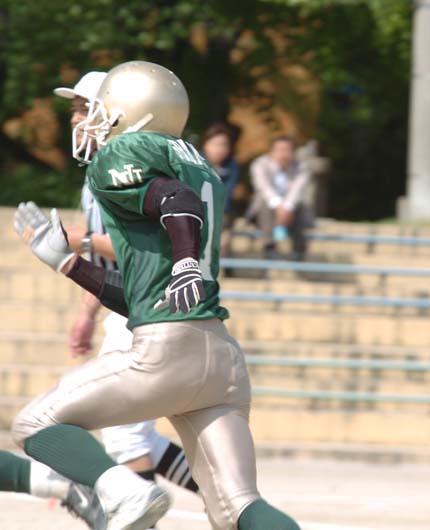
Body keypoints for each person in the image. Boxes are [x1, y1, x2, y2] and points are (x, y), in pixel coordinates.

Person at [12, 60, 300, 530]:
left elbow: (176, 201)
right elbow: (142, 295)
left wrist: (184, 260)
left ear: (131, 111)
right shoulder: (195, 161)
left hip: (166, 351)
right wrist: (69, 264)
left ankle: (126, 491)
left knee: (34, 424)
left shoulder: (123, 151)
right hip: (218, 356)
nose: (89, 123)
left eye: (98, 111)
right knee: (238, 508)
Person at [56, 72, 201, 497]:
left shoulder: (125, 168)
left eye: (85, 109)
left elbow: (142, 249)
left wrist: (76, 241)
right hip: (135, 306)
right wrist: (87, 313)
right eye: (75, 110)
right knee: (139, 437)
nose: (76, 119)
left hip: (146, 306)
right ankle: (236, 505)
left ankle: (134, 513)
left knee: (122, 435)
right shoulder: (107, 167)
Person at [246, 136, 311, 260]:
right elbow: (263, 187)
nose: (284, 154)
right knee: (265, 203)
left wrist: (286, 208)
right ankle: (269, 245)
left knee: (298, 205)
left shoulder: (302, 167)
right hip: (264, 211)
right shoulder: (260, 164)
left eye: (287, 150)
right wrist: (279, 206)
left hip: (292, 211)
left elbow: (297, 191)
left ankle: (299, 250)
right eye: (280, 150)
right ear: (271, 151)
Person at [199, 123, 240, 262]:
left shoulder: (231, 166)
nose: (220, 149)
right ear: (205, 144)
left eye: (224, 145)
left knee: (224, 236)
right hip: (196, 210)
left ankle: (221, 266)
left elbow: (227, 194)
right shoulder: (193, 162)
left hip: (220, 213)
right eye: (216, 144)